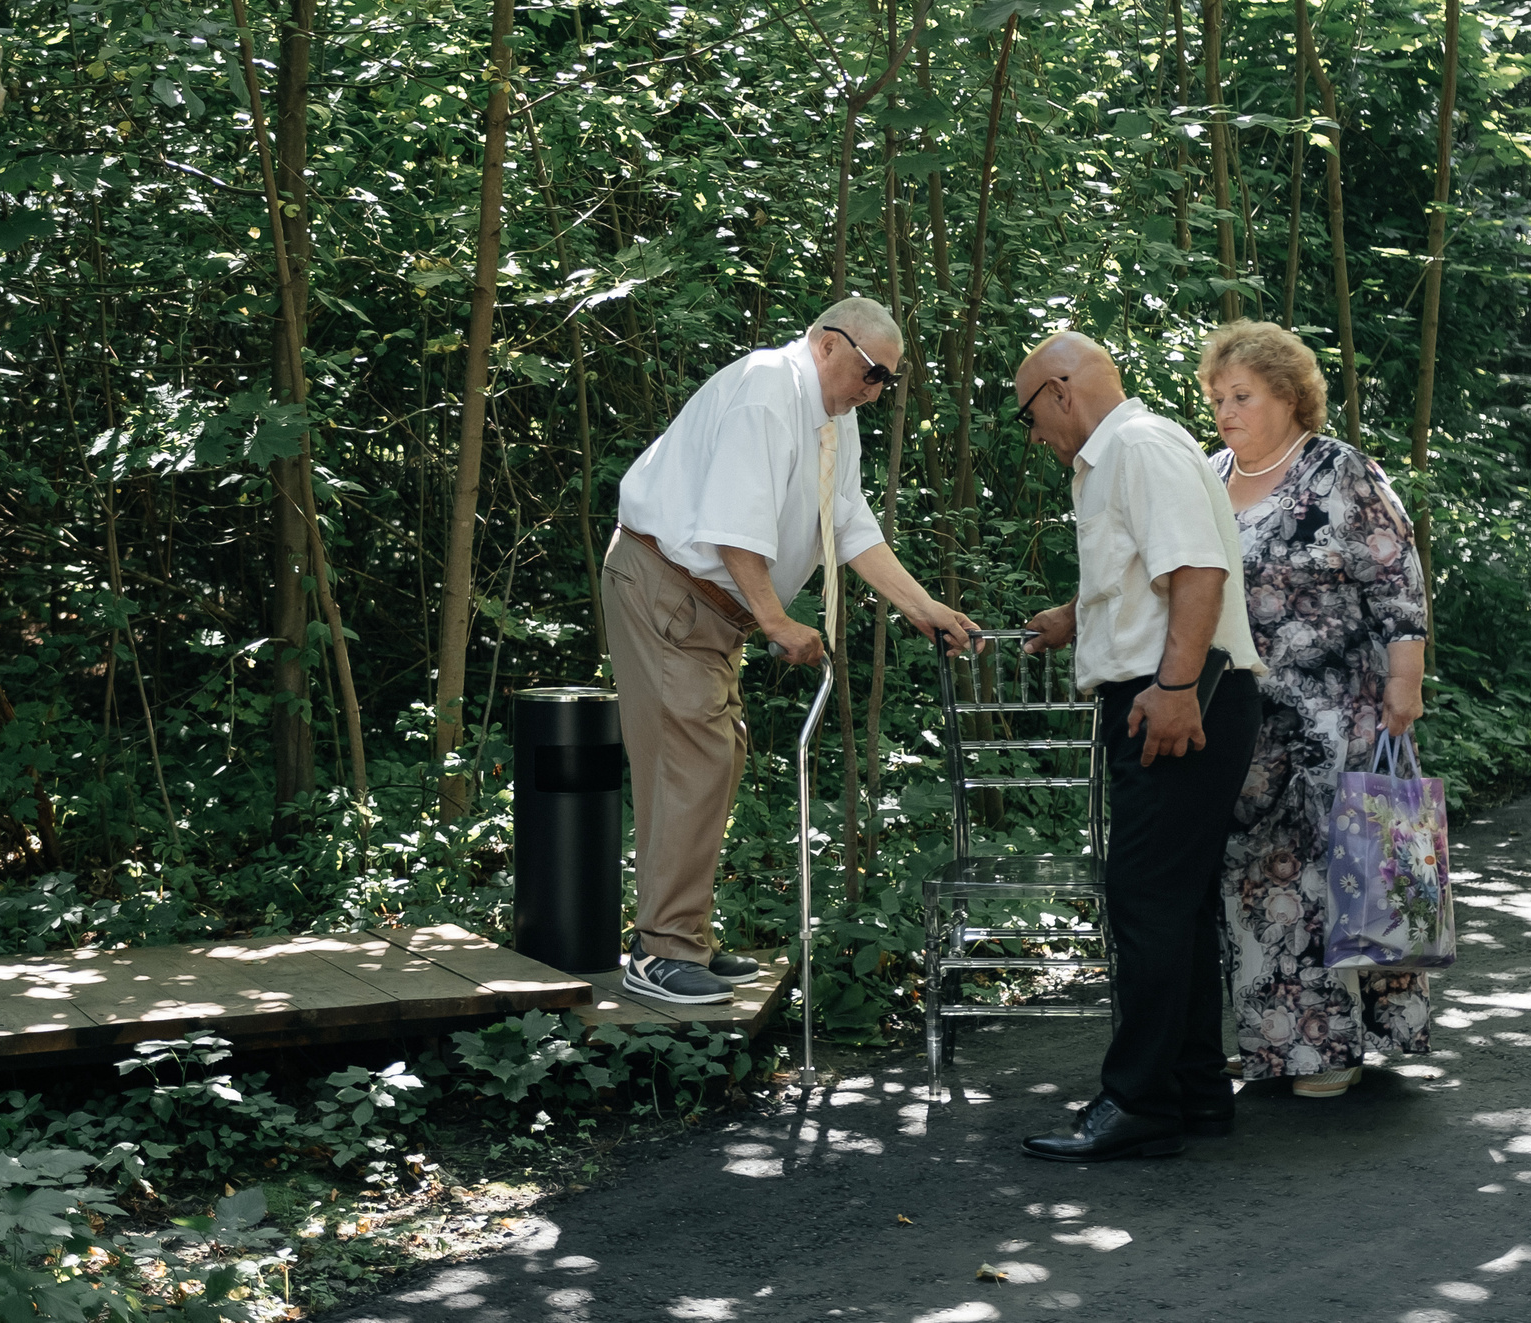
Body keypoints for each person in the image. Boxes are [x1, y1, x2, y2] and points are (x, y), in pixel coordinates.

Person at [604, 296, 975, 1007]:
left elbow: (851, 524)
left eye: (888, 383)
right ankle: (660, 950)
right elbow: (732, 523)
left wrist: (922, 607)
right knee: (696, 753)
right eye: (871, 373)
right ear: (827, 344)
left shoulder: (836, 421)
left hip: (707, 606)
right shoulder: (769, 389)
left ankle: (680, 936)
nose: (875, 391)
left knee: (716, 755)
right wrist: (776, 619)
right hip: (664, 584)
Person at [1013, 331, 1265, 1162]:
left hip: (1182, 695)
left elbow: (1196, 571)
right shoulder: (1125, 454)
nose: (1034, 436)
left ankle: (1138, 1099)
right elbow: (1143, 577)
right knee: (1177, 902)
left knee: (1144, 899)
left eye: (1028, 417)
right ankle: (1194, 1091)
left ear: (1059, 390)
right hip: (1180, 689)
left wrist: (1175, 688)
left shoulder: (1136, 446)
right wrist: (1074, 615)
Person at [1202, 320, 1431, 1098]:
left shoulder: (1341, 472)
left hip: (1341, 714)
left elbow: (1398, 580)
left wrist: (1407, 680)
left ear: (1291, 397)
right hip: (1239, 719)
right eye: (1217, 395)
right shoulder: (1206, 476)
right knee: (1252, 885)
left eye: (1243, 395)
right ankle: (1274, 1041)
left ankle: (1330, 1049)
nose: (1226, 409)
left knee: (1330, 877)